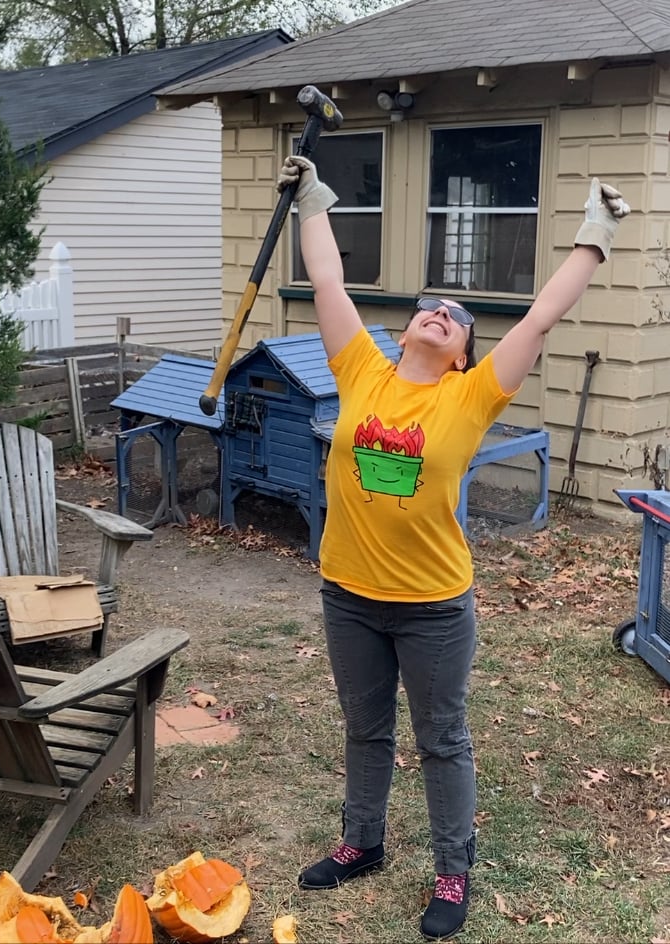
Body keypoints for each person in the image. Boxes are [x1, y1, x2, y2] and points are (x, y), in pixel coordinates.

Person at [276, 155, 629, 941]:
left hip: (432, 607)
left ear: (465, 351)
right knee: (365, 728)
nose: (441, 311)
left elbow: (539, 318)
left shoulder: (471, 396)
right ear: (406, 330)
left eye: (457, 315)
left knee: (440, 739)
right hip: (348, 593)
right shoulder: (361, 370)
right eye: (430, 306)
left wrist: (595, 234)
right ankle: (362, 842)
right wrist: (312, 198)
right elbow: (328, 282)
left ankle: (451, 870)